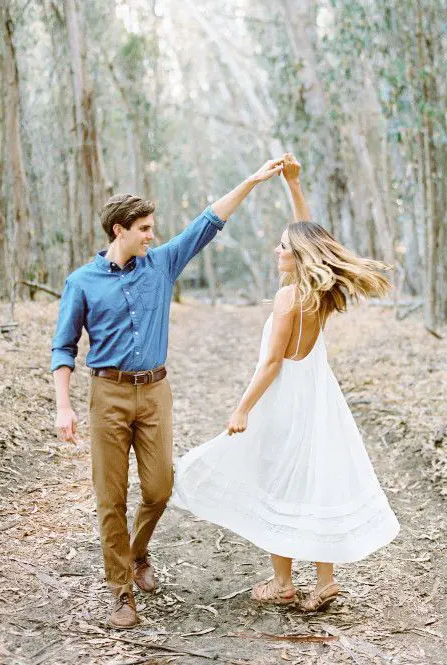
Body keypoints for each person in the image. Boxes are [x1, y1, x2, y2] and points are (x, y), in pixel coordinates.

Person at [51, 158, 285, 629]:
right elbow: (63, 346)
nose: (151, 236)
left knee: (159, 489)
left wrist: (253, 179)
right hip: (107, 395)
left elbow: (209, 222)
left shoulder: (161, 264)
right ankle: (120, 592)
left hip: (155, 393)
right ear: (120, 230)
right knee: (110, 497)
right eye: (144, 229)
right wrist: (64, 406)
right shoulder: (82, 283)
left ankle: (136, 553)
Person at [172, 154, 400, 611]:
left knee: (278, 482)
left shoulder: (287, 298)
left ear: (297, 259)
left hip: (286, 399)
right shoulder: (324, 291)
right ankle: (325, 579)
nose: (276, 251)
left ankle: (283, 582)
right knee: (311, 480)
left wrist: (242, 408)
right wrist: (294, 186)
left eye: (282, 247)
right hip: (318, 396)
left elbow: (272, 361)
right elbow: (308, 236)